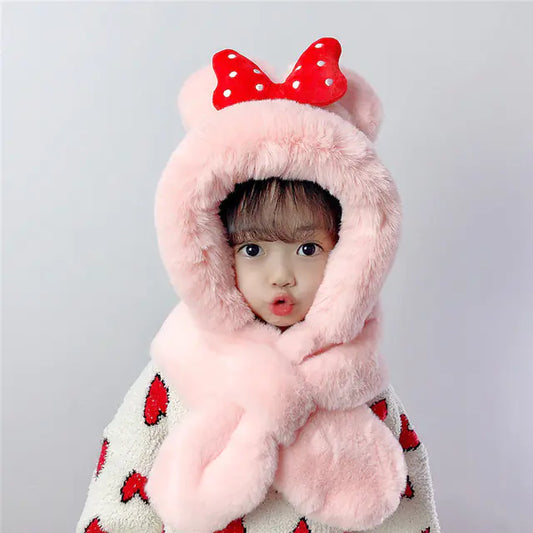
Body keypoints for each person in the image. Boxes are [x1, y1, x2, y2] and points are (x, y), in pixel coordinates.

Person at [76, 37, 441, 533]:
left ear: (350, 253)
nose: (280, 274)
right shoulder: (181, 368)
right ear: (213, 251)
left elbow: (409, 506)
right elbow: (121, 491)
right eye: (253, 250)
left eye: (307, 249)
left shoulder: (354, 381)